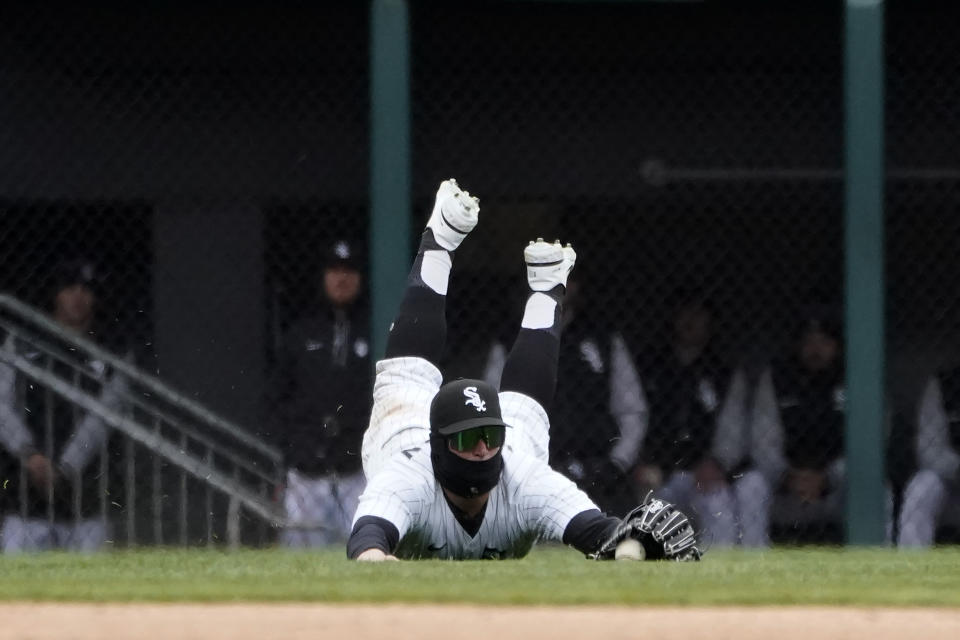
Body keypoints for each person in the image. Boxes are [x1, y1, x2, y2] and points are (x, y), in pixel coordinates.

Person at [346, 178, 701, 561]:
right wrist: (379, 561)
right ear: (440, 448)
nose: (483, 449)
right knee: (406, 375)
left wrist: (637, 551)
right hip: (405, 430)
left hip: (513, 454)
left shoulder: (523, 476)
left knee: (524, 413)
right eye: (467, 440)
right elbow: (366, 541)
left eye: (489, 436)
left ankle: (548, 287)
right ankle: (440, 239)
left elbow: (598, 531)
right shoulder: (406, 475)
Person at [482, 269, 645, 517]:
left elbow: (632, 410)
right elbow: (492, 411)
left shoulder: (604, 338)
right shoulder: (510, 339)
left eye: (566, 278)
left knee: (620, 533)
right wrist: (516, 462)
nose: (558, 286)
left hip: (600, 470)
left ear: (577, 286)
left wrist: (617, 463)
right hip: (533, 468)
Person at [0, 259, 127, 552]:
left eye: (87, 289)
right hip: (25, 497)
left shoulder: (112, 351)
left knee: (95, 592)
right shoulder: (22, 342)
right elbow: (2, 406)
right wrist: (30, 455)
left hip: (88, 499)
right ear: (55, 294)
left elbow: (104, 416)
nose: (78, 296)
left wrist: (66, 466)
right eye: (69, 288)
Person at [744, 303, 890, 545]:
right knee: (749, 484)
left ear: (838, 345)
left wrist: (827, 477)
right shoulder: (778, 377)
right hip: (786, 489)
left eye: (824, 342)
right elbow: (762, 440)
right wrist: (788, 476)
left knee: (878, 485)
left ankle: (873, 563)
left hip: (838, 490)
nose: (815, 349)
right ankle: (751, 568)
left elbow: (873, 443)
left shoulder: (858, 376)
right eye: (809, 341)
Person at [264, 239, 372, 547]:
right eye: (334, 270)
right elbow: (275, 397)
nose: (342, 278)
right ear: (322, 276)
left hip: (356, 473)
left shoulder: (374, 329)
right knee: (299, 561)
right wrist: (293, 445)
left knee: (362, 553)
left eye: (349, 270)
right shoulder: (301, 333)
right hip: (306, 473)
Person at [630, 290, 754, 547]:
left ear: (710, 322)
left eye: (698, 314)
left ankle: (720, 576)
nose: (690, 321)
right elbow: (632, 418)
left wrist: (718, 462)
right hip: (657, 470)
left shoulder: (723, 371)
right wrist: (638, 460)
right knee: (651, 512)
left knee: (718, 504)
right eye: (684, 313)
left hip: (702, 471)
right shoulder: (649, 366)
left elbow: (733, 428)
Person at [897, 368, 960, 547]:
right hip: (953, 485)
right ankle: (911, 568)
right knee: (922, 485)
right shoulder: (945, 383)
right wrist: (957, 467)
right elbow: (928, 450)